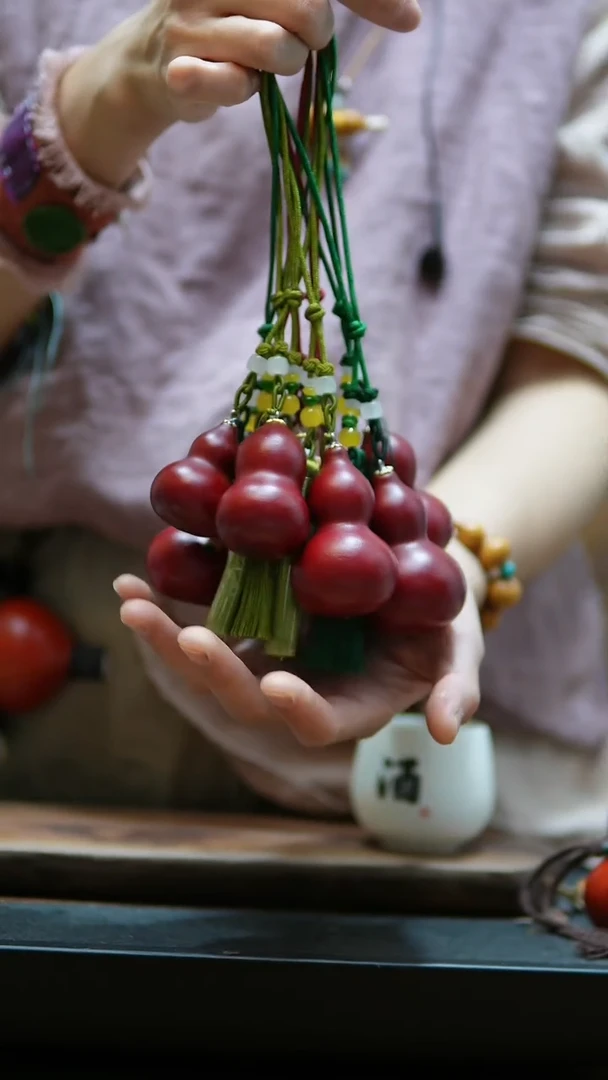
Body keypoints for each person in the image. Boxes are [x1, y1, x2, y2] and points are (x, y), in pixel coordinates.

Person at [0, 0, 607, 840]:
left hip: (456, 755)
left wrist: (448, 565)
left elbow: (584, 351)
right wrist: (102, 105)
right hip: (63, 712)